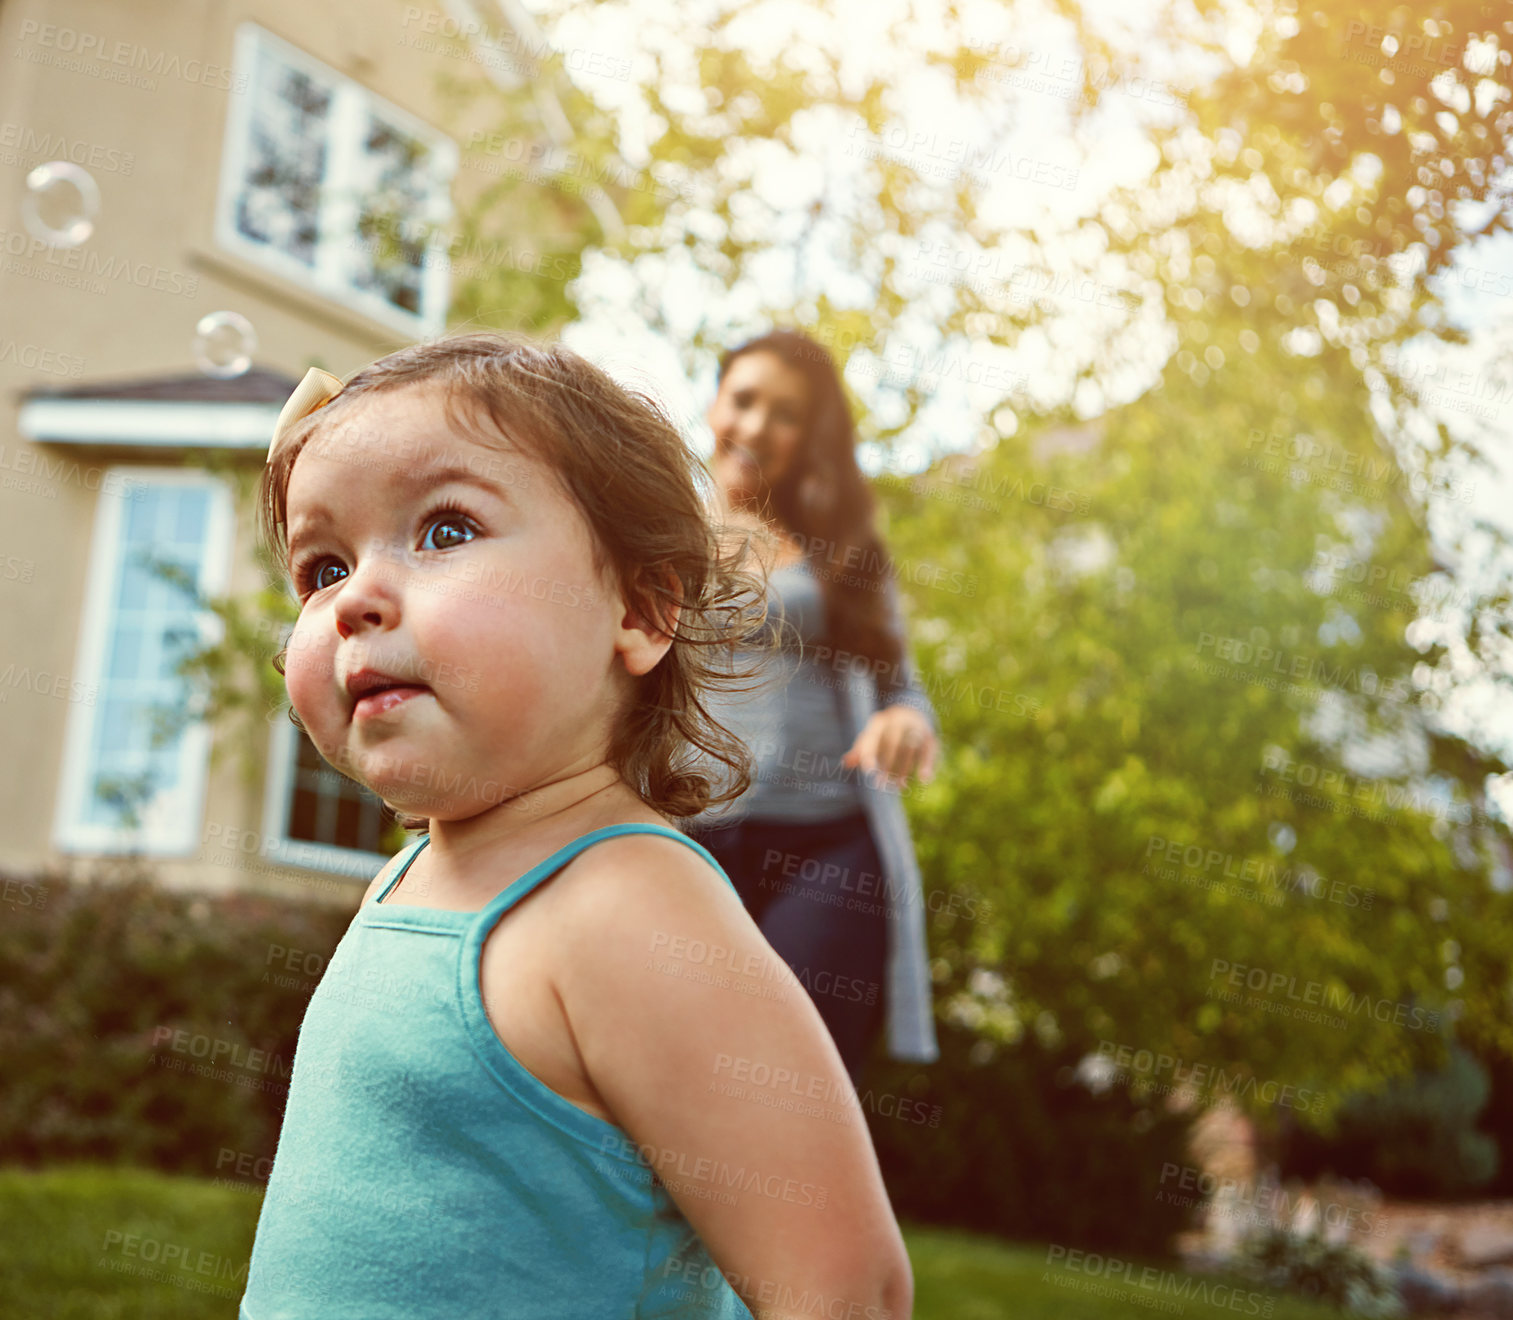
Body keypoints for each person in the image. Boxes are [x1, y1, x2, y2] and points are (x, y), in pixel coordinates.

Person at [238, 334, 914, 1319]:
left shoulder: (628, 910)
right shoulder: (412, 875)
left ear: (638, 611)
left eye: (444, 531)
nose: (356, 601)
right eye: (323, 566)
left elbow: (846, 1291)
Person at [682, 329, 943, 1086]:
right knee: (683, 1075)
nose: (759, 426)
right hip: (690, 839)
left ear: (810, 437)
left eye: (787, 414)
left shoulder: (844, 548)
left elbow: (905, 690)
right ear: (714, 404)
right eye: (744, 400)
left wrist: (904, 722)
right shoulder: (657, 536)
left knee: (792, 1077)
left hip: (827, 845)